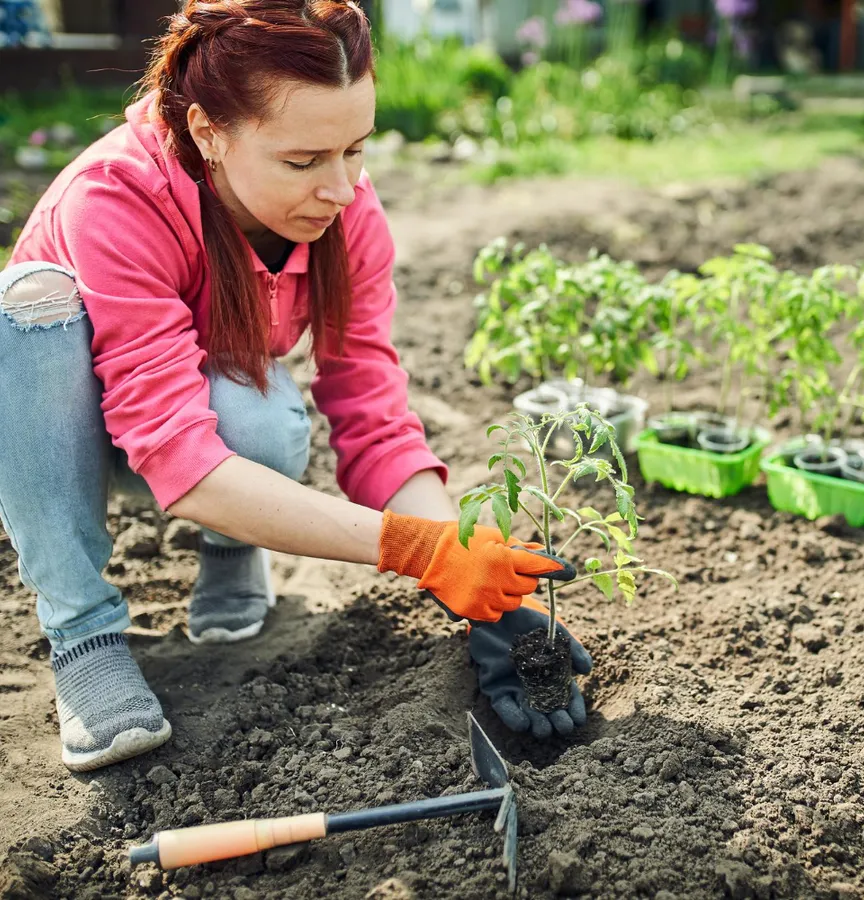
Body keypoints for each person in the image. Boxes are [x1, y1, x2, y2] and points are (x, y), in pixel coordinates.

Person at [0, 0, 593, 774]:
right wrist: (414, 552)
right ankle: (82, 633)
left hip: (190, 418)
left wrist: (469, 580)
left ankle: (235, 549)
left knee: (267, 414)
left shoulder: (349, 210)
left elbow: (374, 414)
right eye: (304, 160)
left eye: (355, 149)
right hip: (59, 429)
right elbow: (179, 461)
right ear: (209, 130)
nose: (342, 188)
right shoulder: (116, 198)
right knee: (27, 306)